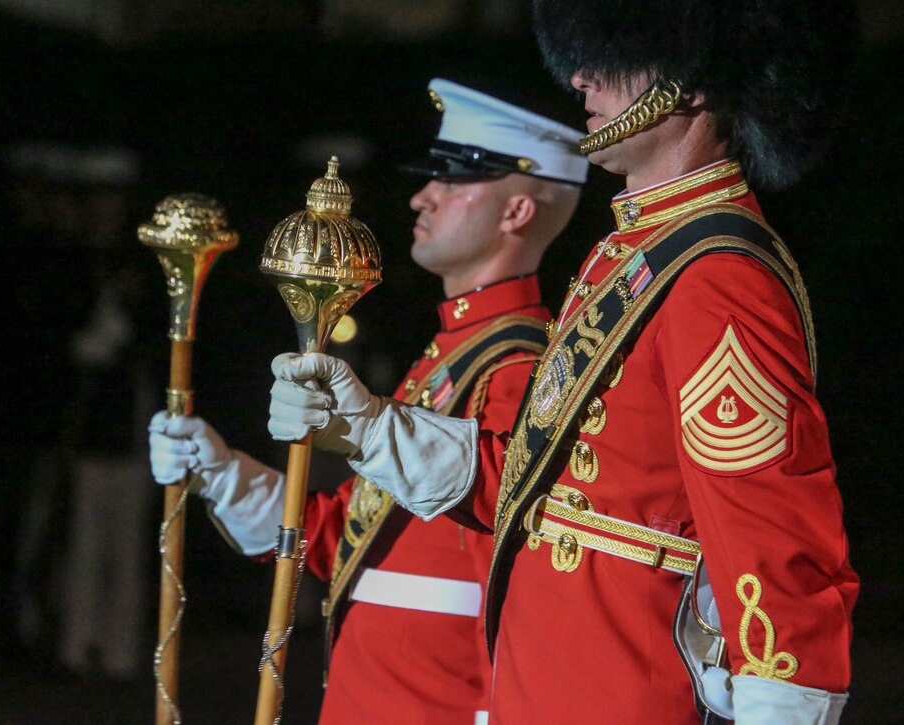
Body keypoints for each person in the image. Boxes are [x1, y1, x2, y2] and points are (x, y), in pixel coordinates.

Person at [266, 2, 859, 722]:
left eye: (616, 55)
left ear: (694, 82)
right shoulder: (637, 254)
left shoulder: (717, 276)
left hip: (621, 693)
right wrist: (367, 426)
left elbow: (774, 547)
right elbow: (537, 487)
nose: (581, 77)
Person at [149, 78, 587, 724]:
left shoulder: (521, 367)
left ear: (517, 211)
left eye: (452, 179)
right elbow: (343, 538)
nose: (421, 196)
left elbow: (516, 534)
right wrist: (224, 472)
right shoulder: (452, 355)